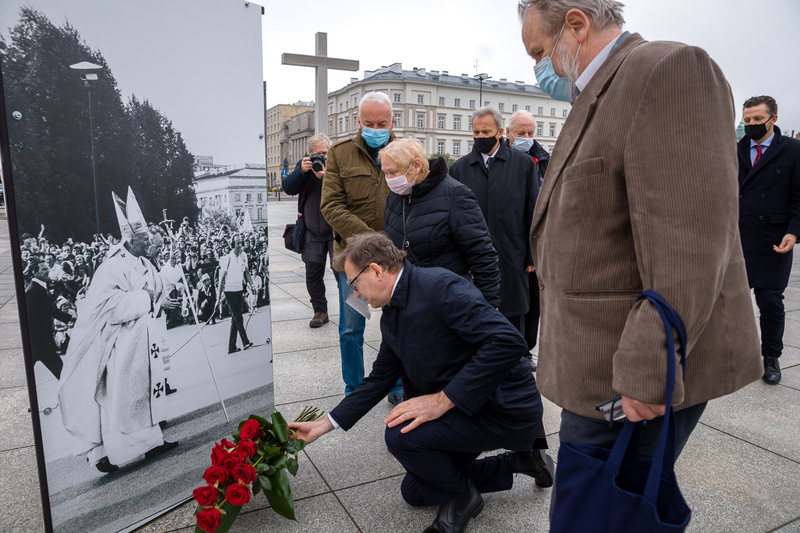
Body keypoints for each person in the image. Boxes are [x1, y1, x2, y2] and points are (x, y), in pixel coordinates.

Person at [518, 0, 762, 482]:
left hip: (630, 378)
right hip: (598, 368)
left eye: (539, 52)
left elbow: (688, 240)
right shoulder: (603, 91)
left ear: (576, 25)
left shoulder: (668, 70)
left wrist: (650, 370)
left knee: (602, 509)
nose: (538, 68)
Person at [289, 232, 552, 533]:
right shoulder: (393, 315)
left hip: (501, 406)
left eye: (354, 284)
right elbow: (378, 381)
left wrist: (443, 400)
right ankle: (521, 463)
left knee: (400, 435)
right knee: (414, 492)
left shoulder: (439, 287)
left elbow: (508, 341)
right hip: (469, 407)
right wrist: (324, 424)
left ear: (376, 270)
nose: (355, 295)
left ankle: (461, 500)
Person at [58, 189, 179, 473]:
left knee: (138, 392)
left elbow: (155, 289)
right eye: (145, 239)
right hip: (116, 345)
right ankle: (104, 453)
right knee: (114, 398)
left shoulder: (143, 262)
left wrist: (170, 273)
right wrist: (145, 299)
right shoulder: (110, 266)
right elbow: (108, 306)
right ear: (131, 239)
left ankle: (151, 442)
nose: (150, 243)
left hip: (141, 341)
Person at [321, 91, 404, 405]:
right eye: (368, 122)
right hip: (355, 263)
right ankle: (354, 389)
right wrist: (372, 243)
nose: (375, 127)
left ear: (392, 121)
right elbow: (331, 206)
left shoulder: (403, 151)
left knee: (397, 326)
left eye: (382, 122)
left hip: (395, 263)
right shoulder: (341, 154)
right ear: (358, 121)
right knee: (352, 327)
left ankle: (397, 384)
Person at [448, 107, 539, 356]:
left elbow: (533, 211)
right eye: (475, 132)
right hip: (472, 260)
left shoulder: (523, 165)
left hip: (513, 255)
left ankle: (517, 363)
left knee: (513, 317)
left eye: (485, 131)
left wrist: (532, 256)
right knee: (476, 317)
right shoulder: (460, 169)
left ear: (500, 132)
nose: (480, 136)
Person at [381, 138, 500, 310]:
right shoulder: (396, 196)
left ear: (416, 166)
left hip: (447, 298)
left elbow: (481, 253)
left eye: (393, 173)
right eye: (385, 173)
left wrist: (489, 304)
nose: (389, 179)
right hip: (405, 298)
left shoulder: (456, 195)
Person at [738, 95, 800, 385]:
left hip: (773, 239)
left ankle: (771, 357)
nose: (751, 125)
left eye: (757, 120)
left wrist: (793, 231)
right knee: (733, 301)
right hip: (736, 238)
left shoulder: (793, 150)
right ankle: (733, 355)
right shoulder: (733, 149)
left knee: (771, 301)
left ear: (773, 119)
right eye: (747, 120)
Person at [506, 109, 550, 371]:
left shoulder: (542, 160)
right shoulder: (503, 159)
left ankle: (526, 351)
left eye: (530, 133)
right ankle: (511, 349)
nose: (526, 137)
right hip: (512, 241)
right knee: (514, 301)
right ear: (509, 132)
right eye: (521, 132)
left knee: (534, 302)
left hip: (538, 242)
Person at [282, 133, 335, 328]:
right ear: (309, 154)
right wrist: (301, 172)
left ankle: (350, 311)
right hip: (311, 230)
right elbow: (288, 188)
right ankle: (320, 311)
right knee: (313, 272)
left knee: (341, 271)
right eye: (316, 154)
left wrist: (327, 175)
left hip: (335, 230)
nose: (320, 157)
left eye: (324, 153)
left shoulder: (336, 166)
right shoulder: (303, 166)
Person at [25, 260, 75, 379]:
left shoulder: (39, 287)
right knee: (60, 370)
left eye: (47, 268)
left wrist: (70, 318)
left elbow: (49, 310)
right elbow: (31, 320)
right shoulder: (32, 290)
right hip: (39, 341)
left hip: (38, 342)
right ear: (34, 272)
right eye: (43, 269)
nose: (47, 271)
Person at [218, 234, 256, 354]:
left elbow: (247, 273)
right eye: (238, 243)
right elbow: (222, 278)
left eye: (241, 243)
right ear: (233, 244)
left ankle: (231, 347)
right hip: (229, 291)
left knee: (235, 319)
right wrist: (218, 298)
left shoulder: (244, 256)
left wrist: (252, 285)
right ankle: (245, 342)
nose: (240, 245)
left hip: (239, 289)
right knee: (239, 317)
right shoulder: (227, 258)